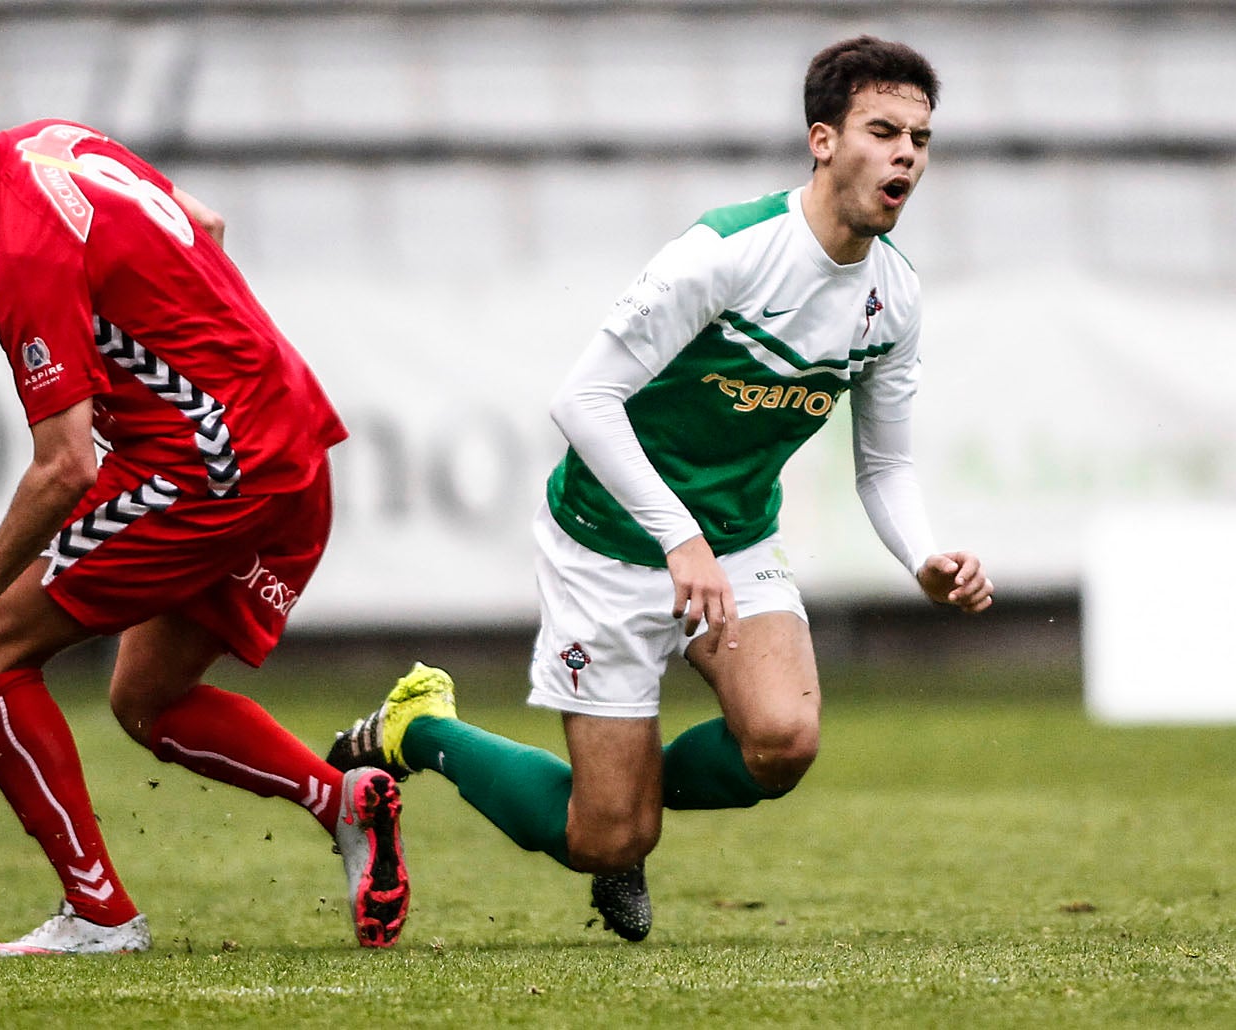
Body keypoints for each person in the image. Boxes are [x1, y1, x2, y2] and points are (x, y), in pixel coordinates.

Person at [328, 35, 993, 942]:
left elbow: (884, 466)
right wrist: (678, 538)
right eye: (885, 131)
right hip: (605, 538)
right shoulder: (725, 253)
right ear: (824, 140)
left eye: (920, 138)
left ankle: (631, 793)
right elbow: (583, 400)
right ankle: (421, 728)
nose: (907, 155)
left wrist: (924, 557)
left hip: (735, 542)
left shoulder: (895, 298)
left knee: (784, 741)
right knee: (603, 837)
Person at [0, 27, 409, 955]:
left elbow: (67, 467)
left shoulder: (22, 248)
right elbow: (206, 225)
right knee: (148, 696)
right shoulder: (59, 139)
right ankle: (345, 802)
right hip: (289, 433)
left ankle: (100, 917)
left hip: (207, 476)